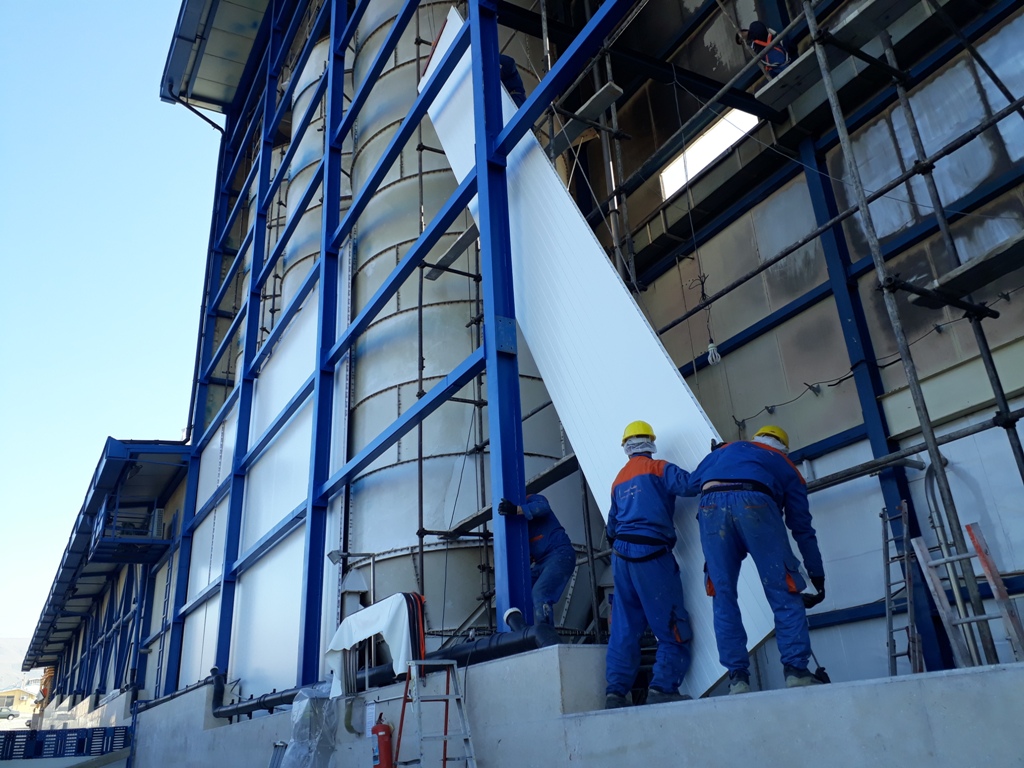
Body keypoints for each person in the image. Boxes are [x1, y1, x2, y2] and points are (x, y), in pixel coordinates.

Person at [689, 425, 825, 694]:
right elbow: (802, 527)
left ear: (757, 439)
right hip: (757, 504)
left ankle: (737, 677)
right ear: (784, 448)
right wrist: (817, 576)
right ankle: (797, 671)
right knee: (783, 590)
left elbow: (690, 484)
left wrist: (717, 461)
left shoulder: (723, 450)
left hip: (710, 508)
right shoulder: (785, 465)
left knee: (722, 593)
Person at [604, 420, 693, 709]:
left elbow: (611, 527)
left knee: (624, 628)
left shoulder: (618, 480)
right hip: (651, 554)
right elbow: (690, 485)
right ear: (650, 443)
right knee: (671, 624)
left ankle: (615, 694)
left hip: (621, 557)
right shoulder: (659, 468)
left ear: (626, 447)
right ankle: (663, 687)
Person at [498, 494, 576, 626]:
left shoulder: (532, 499)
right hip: (541, 562)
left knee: (540, 593)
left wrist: (516, 509)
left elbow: (543, 507)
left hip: (559, 554)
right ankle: (524, 635)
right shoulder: (518, 525)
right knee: (520, 591)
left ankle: (547, 637)